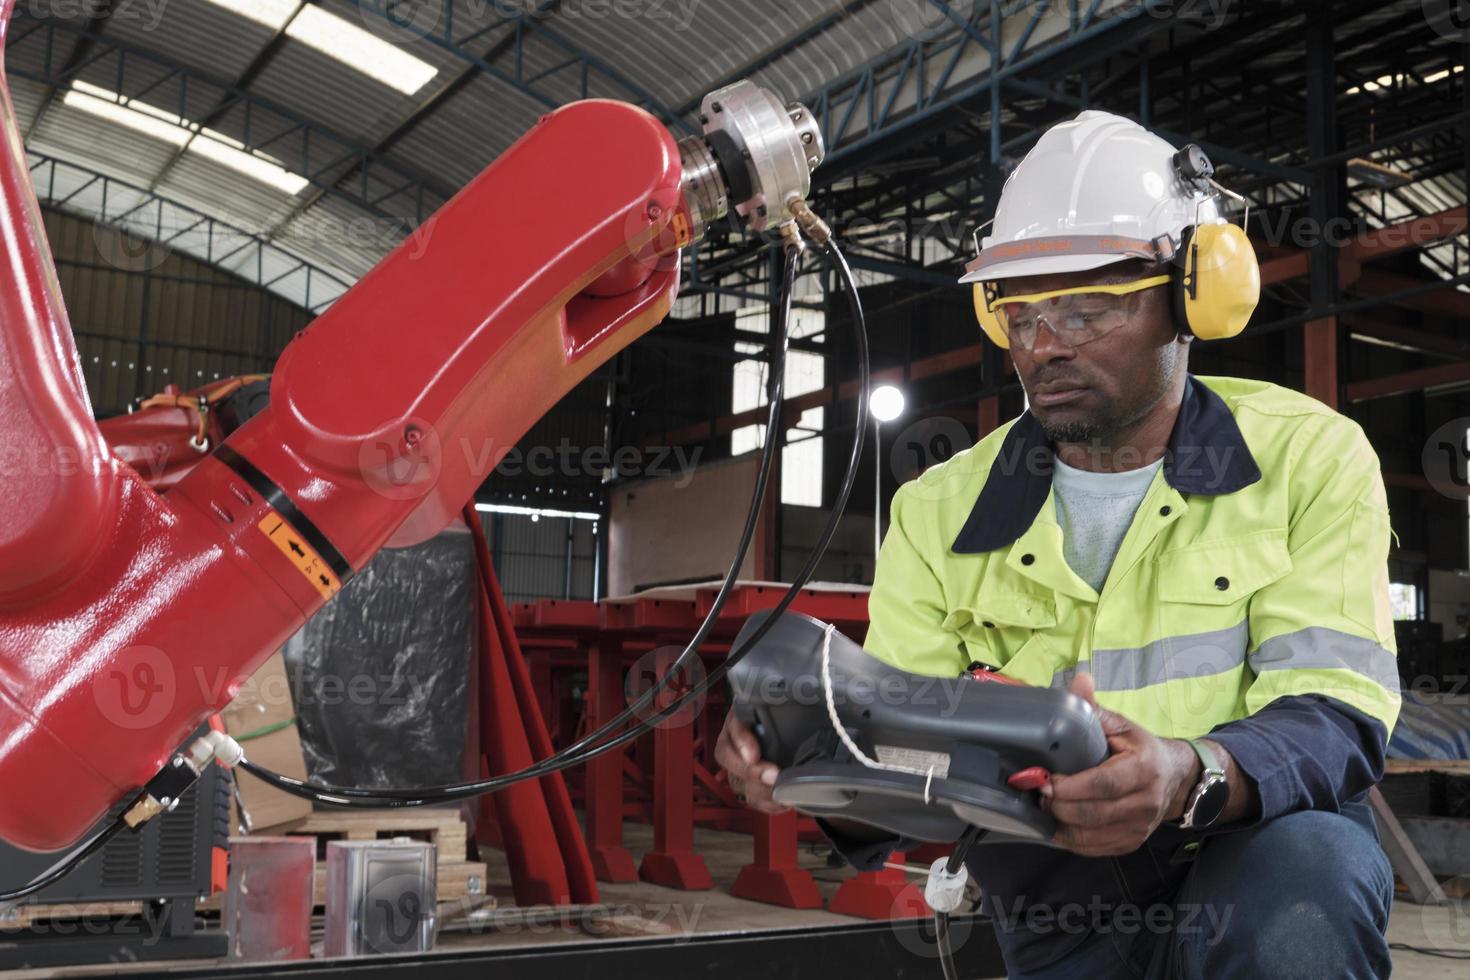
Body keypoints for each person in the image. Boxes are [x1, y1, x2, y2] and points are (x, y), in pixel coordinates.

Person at [716, 111, 1399, 979]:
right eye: (1019, 311)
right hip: (1062, 897)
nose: (1043, 347)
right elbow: (905, 760)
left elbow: (1336, 714)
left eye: (1085, 310)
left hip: (1257, 857)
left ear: (1192, 296)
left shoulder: (1306, 458)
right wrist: (810, 772)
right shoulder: (939, 510)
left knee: (1307, 881)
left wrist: (1190, 775)